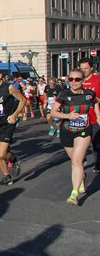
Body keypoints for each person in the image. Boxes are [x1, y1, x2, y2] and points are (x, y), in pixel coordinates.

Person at [49, 69, 99, 206]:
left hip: (83, 130)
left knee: (76, 161)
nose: (74, 82)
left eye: (77, 79)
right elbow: (53, 113)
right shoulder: (63, 94)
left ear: (82, 81)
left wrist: (98, 115)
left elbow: (95, 102)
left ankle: (74, 194)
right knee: (75, 160)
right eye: (71, 79)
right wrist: (68, 116)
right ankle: (82, 177)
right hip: (67, 130)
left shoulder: (89, 94)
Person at [0, 65, 26, 186]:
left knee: (2, 154)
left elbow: (23, 100)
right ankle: (7, 176)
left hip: (7, 123)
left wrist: (15, 115)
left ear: (0, 75)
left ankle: (13, 159)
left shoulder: (9, 87)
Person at [78, 58, 100, 172]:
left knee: (96, 144)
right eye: (81, 69)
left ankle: (98, 164)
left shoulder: (97, 80)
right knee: (80, 144)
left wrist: (93, 99)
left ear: (91, 68)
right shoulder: (77, 81)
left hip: (95, 118)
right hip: (81, 119)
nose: (84, 71)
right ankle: (81, 160)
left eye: (86, 68)